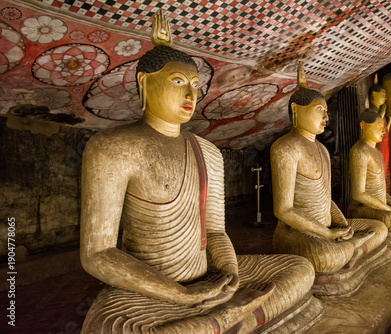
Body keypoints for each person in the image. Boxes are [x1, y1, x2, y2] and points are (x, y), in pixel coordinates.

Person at [80, 12, 316, 333]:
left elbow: (216, 232)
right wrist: (178, 292)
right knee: (110, 327)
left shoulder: (208, 151)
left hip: (207, 275)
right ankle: (231, 318)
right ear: (144, 83)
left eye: (195, 85)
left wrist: (229, 274)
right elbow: (98, 253)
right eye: (178, 82)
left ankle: (218, 319)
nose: (191, 96)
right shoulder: (112, 147)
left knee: (300, 268)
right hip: (151, 289)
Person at [270, 62, 388, 276]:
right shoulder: (285, 147)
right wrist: (326, 233)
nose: (326, 117)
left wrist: (342, 225)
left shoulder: (323, 150)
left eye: (326, 111)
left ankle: (348, 247)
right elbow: (283, 210)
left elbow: (326, 198)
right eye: (319, 110)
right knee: (326, 257)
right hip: (297, 233)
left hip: (327, 229)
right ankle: (349, 249)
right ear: (296, 109)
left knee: (380, 228)